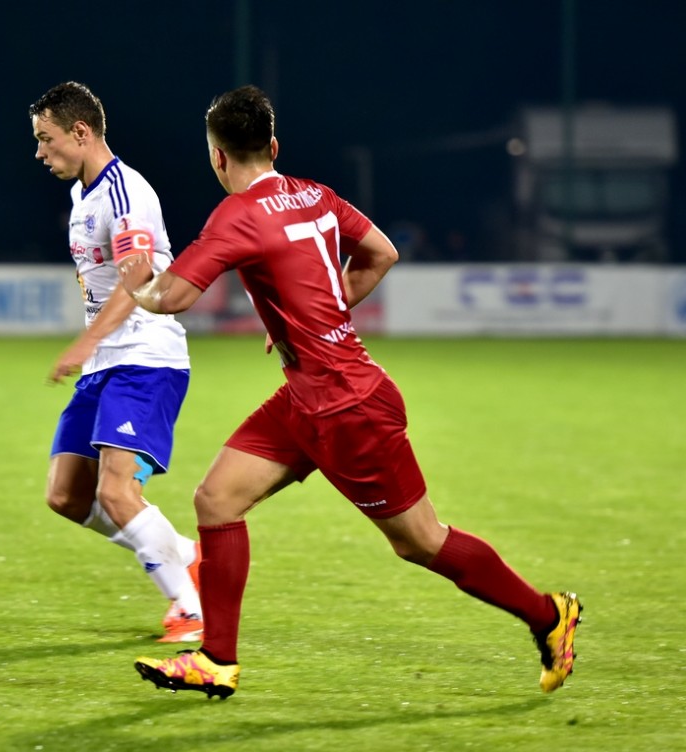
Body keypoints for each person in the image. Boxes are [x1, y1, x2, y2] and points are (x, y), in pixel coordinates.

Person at [117, 85, 581, 698]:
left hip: (348, 408)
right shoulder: (316, 193)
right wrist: (318, 318)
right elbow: (381, 253)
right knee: (217, 500)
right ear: (274, 146)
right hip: (307, 397)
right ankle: (215, 660)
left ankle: (549, 615)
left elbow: (172, 296)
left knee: (421, 542)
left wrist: (137, 282)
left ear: (217, 157)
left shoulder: (236, 215)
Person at [30, 81, 202, 643]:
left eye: (46, 138)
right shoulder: (81, 196)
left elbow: (139, 279)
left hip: (145, 358)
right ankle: (181, 552)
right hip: (105, 363)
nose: (40, 152)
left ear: (81, 132)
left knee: (115, 492)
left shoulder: (126, 193)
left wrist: (84, 342)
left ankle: (190, 609)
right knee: (65, 495)